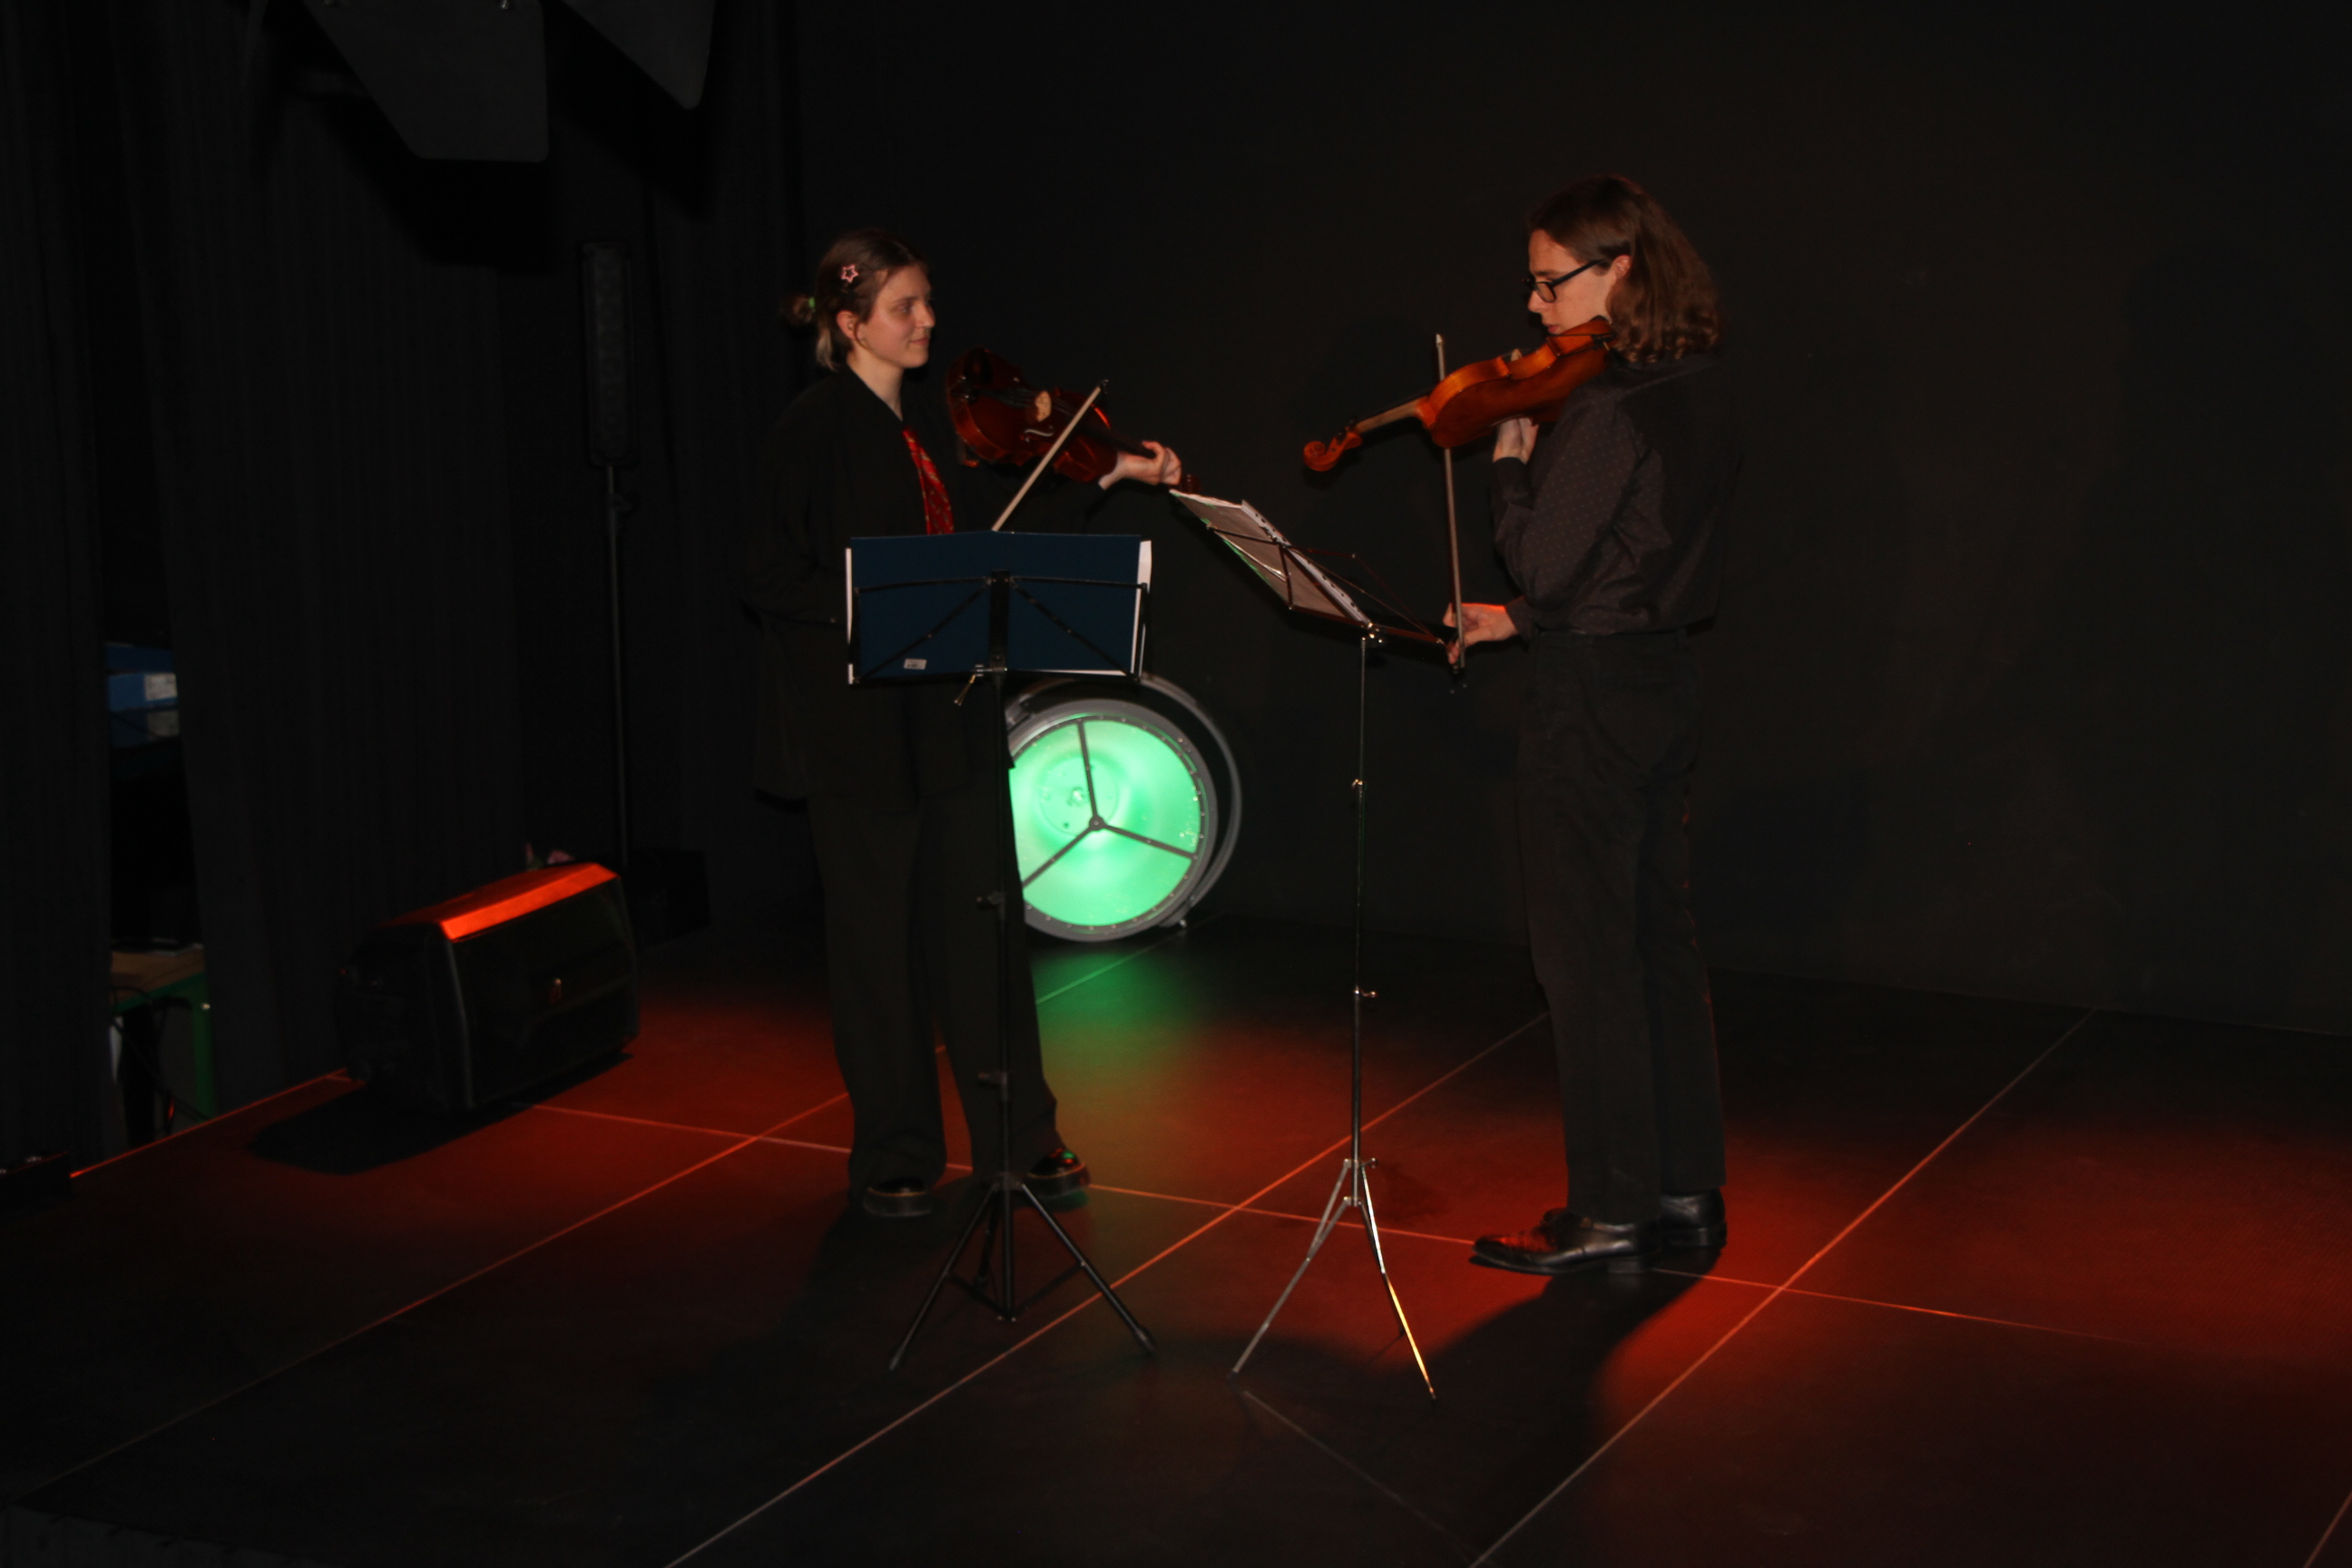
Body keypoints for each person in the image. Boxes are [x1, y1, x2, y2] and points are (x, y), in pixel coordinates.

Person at [745, 229, 1182, 1219]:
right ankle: (895, 1152)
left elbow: (1002, 526)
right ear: (850, 322)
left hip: (952, 719)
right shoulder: (810, 430)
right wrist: (877, 601)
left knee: (984, 930)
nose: (928, 322)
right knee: (876, 951)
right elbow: (766, 575)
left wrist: (1108, 471)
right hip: (859, 732)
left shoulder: (934, 429)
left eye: (927, 303)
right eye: (905, 307)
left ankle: (1020, 1137)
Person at [1449, 175, 1740, 1274]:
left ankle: (1610, 1209)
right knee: (1657, 942)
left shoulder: (1611, 406)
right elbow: (1634, 555)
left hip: (1591, 700)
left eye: (1551, 283)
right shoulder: (1701, 382)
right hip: (1659, 683)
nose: (1536, 307)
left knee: (1586, 958)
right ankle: (1684, 1189)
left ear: (1620, 270)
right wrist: (1521, 620)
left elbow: (1548, 557)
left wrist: (1509, 467)